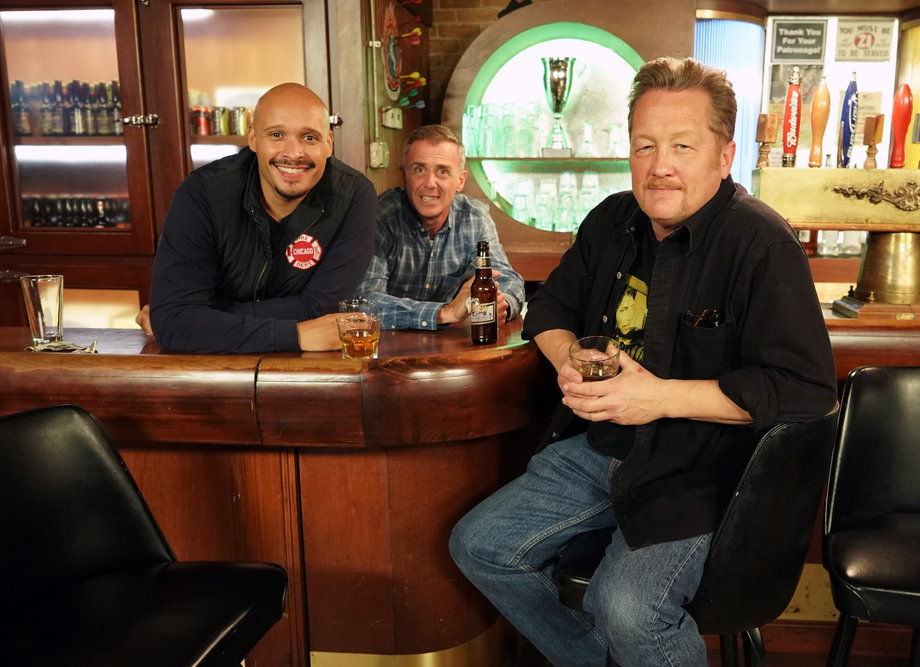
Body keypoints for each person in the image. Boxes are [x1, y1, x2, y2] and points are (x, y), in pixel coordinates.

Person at [449, 57, 838, 666]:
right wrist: (569, 356)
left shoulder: (762, 244)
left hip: (701, 470)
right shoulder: (611, 219)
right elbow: (547, 308)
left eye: (683, 146)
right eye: (644, 145)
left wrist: (656, 397)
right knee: (480, 547)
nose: (660, 165)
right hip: (600, 448)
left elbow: (805, 391)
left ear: (724, 155)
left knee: (627, 608)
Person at [140, 82, 376, 353]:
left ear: (329, 144)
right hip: (210, 369)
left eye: (309, 138)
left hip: (307, 369)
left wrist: (201, 317)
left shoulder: (354, 195)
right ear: (252, 138)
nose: (294, 153)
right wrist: (297, 334)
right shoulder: (202, 193)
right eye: (276, 135)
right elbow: (175, 322)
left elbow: (319, 309)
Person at [356, 124, 524, 330]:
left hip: (449, 342)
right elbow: (365, 302)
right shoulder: (379, 218)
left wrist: (501, 304)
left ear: (460, 181)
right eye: (419, 170)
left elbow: (507, 278)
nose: (430, 183)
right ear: (404, 175)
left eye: (442, 171)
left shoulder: (475, 218)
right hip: (388, 343)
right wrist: (444, 312)